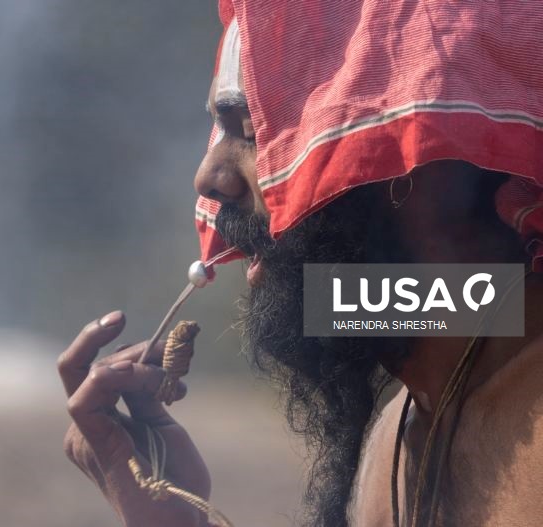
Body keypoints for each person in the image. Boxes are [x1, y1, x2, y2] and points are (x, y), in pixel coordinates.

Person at [58, 2, 543, 526]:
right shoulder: (411, 418)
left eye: (251, 130)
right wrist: (171, 517)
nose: (208, 177)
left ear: (400, 149)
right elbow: (477, 303)